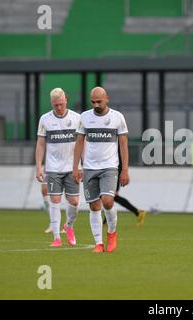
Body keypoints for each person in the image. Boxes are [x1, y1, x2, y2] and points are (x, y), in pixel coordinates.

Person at [73, 87, 129, 253]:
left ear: (107, 99)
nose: (96, 104)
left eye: (99, 101)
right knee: (94, 206)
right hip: (89, 168)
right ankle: (98, 243)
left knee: (107, 201)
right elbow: (79, 142)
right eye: (93, 102)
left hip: (110, 167)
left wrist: (124, 170)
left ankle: (111, 233)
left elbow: (123, 144)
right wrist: (75, 167)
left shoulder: (117, 117)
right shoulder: (84, 117)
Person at [35, 88, 81, 247]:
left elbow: (83, 143)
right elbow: (40, 144)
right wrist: (39, 167)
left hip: (72, 167)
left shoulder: (77, 118)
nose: (59, 108)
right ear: (51, 104)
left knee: (74, 202)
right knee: (54, 199)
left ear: (66, 100)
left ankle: (68, 226)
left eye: (61, 104)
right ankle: (56, 238)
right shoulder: (45, 119)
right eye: (55, 105)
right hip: (53, 168)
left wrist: (81, 165)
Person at [103, 143, 147, 227]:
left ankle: (137, 212)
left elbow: (120, 155)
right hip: (113, 169)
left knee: (109, 195)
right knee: (109, 196)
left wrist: (122, 171)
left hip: (114, 170)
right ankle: (106, 221)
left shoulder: (116, 142)